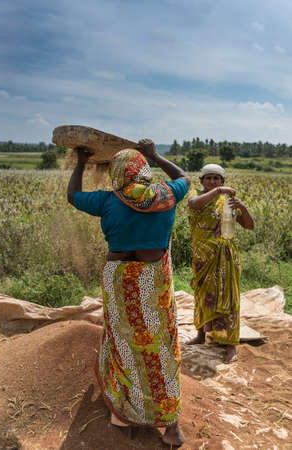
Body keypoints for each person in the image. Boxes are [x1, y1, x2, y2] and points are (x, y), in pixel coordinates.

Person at [67, 138, 190, 446]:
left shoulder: (108, 200)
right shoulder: (165, 195)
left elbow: (73, 196)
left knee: (123, 344)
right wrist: (155, 155)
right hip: (152, 282)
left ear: (117, 172)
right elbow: (185, 179)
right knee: (162, 347)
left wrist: (81, 162)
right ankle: (171, 425)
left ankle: (124, 415)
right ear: (143, 170)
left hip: (120, 281)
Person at [187, 164, 254, 364]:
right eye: (208, 178)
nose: (212, 182)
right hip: (202, 257)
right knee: (201, 295)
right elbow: (193, 205)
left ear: (222, 181)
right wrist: (218, 191)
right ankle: (201, 335)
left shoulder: (229, 202)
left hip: (224, 257)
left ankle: (230, 345)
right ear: (202, 181)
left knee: (228, 298)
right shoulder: (195, 196)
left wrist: (242, 207)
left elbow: (249, 226)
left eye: (217, 179)